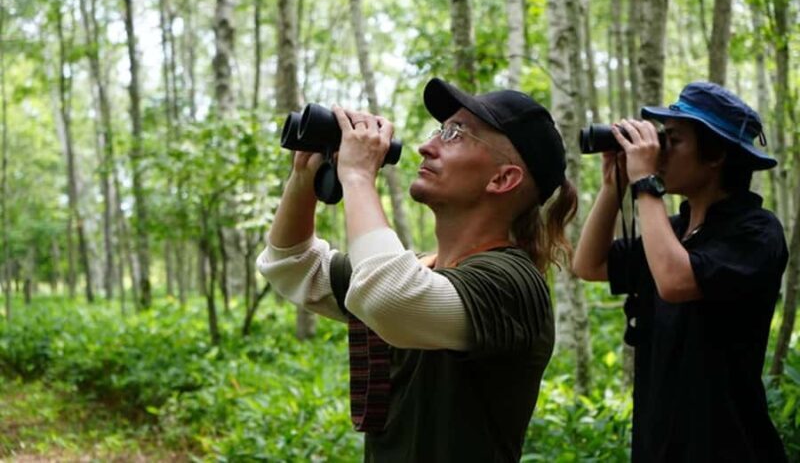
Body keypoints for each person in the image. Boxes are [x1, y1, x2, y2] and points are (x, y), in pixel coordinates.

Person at [257, 77, 578, 462]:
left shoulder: (513, 281)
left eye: (456, 134)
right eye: (440, 130)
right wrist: (303, 177)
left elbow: (389, 296)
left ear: (503, 178)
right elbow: (292, 266)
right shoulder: (426, 270)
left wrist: (357, 176)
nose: (427, 146)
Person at [572, 81, 788, 462]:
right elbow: (589, 264)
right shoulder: (672, 230)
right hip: (660, 446)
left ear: (716, 153)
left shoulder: (756, 231)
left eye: (672, 140)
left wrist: (645, 184)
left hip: (729, 447)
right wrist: (614, 185)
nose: (659, 152)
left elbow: (675, 281)